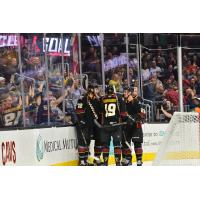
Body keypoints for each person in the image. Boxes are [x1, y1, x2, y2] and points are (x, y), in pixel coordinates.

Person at [100, 85, 127, 166]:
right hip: (117, 125)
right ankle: (117, 163)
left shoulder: (102, 99)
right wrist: (125, 121)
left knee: (105, 146)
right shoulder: (118, 98)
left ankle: (105, 163)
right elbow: (123, 113)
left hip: (105, 125)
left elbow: (100, 112)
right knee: (117, 145)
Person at [75, 85, 101, 166]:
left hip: (90, 125)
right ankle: (82, 160)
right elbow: (79, 111)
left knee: (88, 142)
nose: (96, 91)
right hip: (83, 125)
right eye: (94, 90)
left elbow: (99, 111)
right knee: (83, 142)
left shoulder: (95, 100)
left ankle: (85, 160)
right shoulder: (82, 99)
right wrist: (81, 121)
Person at [122, 87, 145, 166]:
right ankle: (128, 158)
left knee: (137, 143)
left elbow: (142, 114)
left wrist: (134, 119)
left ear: (129, 93)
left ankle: (139, 159)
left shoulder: (137, 101)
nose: (124, 93)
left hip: (136, 126)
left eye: (125, 92)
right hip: (126, 126)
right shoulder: (123, 102)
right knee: (126, 143)